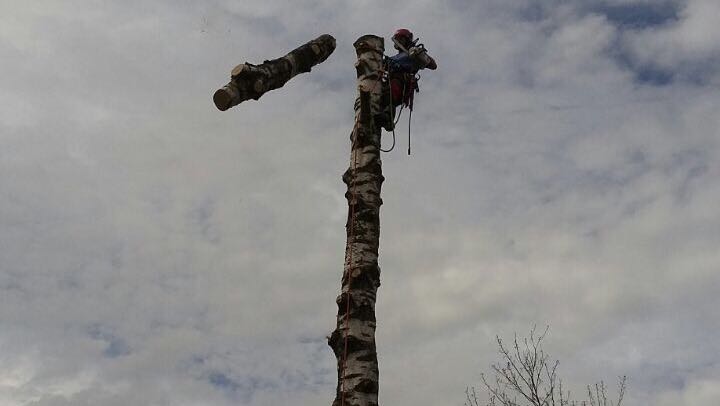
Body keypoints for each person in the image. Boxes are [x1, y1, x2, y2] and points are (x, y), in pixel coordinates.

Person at [386, 28, 437, 109]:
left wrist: (420, 55)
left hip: (401, 81)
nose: (398, 41)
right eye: (397, 39)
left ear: (407, 39)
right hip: (388, 81)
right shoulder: (392, 58)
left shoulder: (413, 52)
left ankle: (389, 109)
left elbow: (433, 65)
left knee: (394, 83)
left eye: (401, 39)